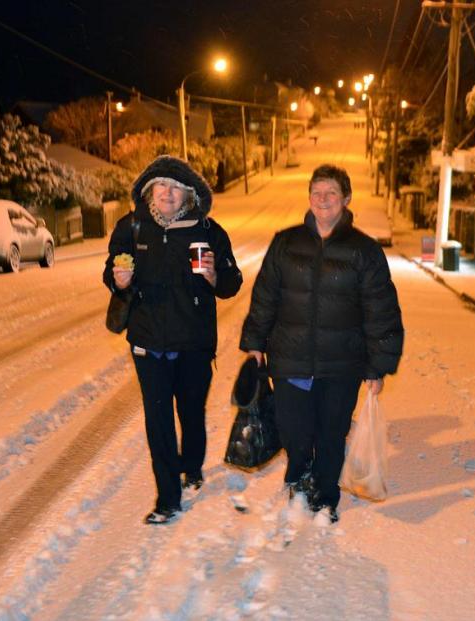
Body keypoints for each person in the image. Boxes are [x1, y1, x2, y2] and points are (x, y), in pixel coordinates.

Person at [240, 163, 403, 522]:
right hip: (290, 358)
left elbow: (381, 310)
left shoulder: (364, 250)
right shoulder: (286, 242)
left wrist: (379, 364)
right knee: (294, 429)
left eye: (331, 193)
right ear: (309, 198)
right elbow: (265, 296)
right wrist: (254, 342)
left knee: (331, 433)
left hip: (341, 364)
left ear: (346, 198)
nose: (323, 199)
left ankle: (326, 496)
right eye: (317, 193)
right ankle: (299, 477)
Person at [104, 156, 242, 525]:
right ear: (150, 190)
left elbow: (233, 283)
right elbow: (111, 270)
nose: (167, 192)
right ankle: (168, 498)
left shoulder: (209, 231)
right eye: (160, 185)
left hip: (194, 343)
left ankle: (192, 466)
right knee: (158, 419)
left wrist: (214, 277)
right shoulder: (131, 228)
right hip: (148, 342)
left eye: (175, 187)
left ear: (188, 194)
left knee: (192, 413)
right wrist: (118, 280)